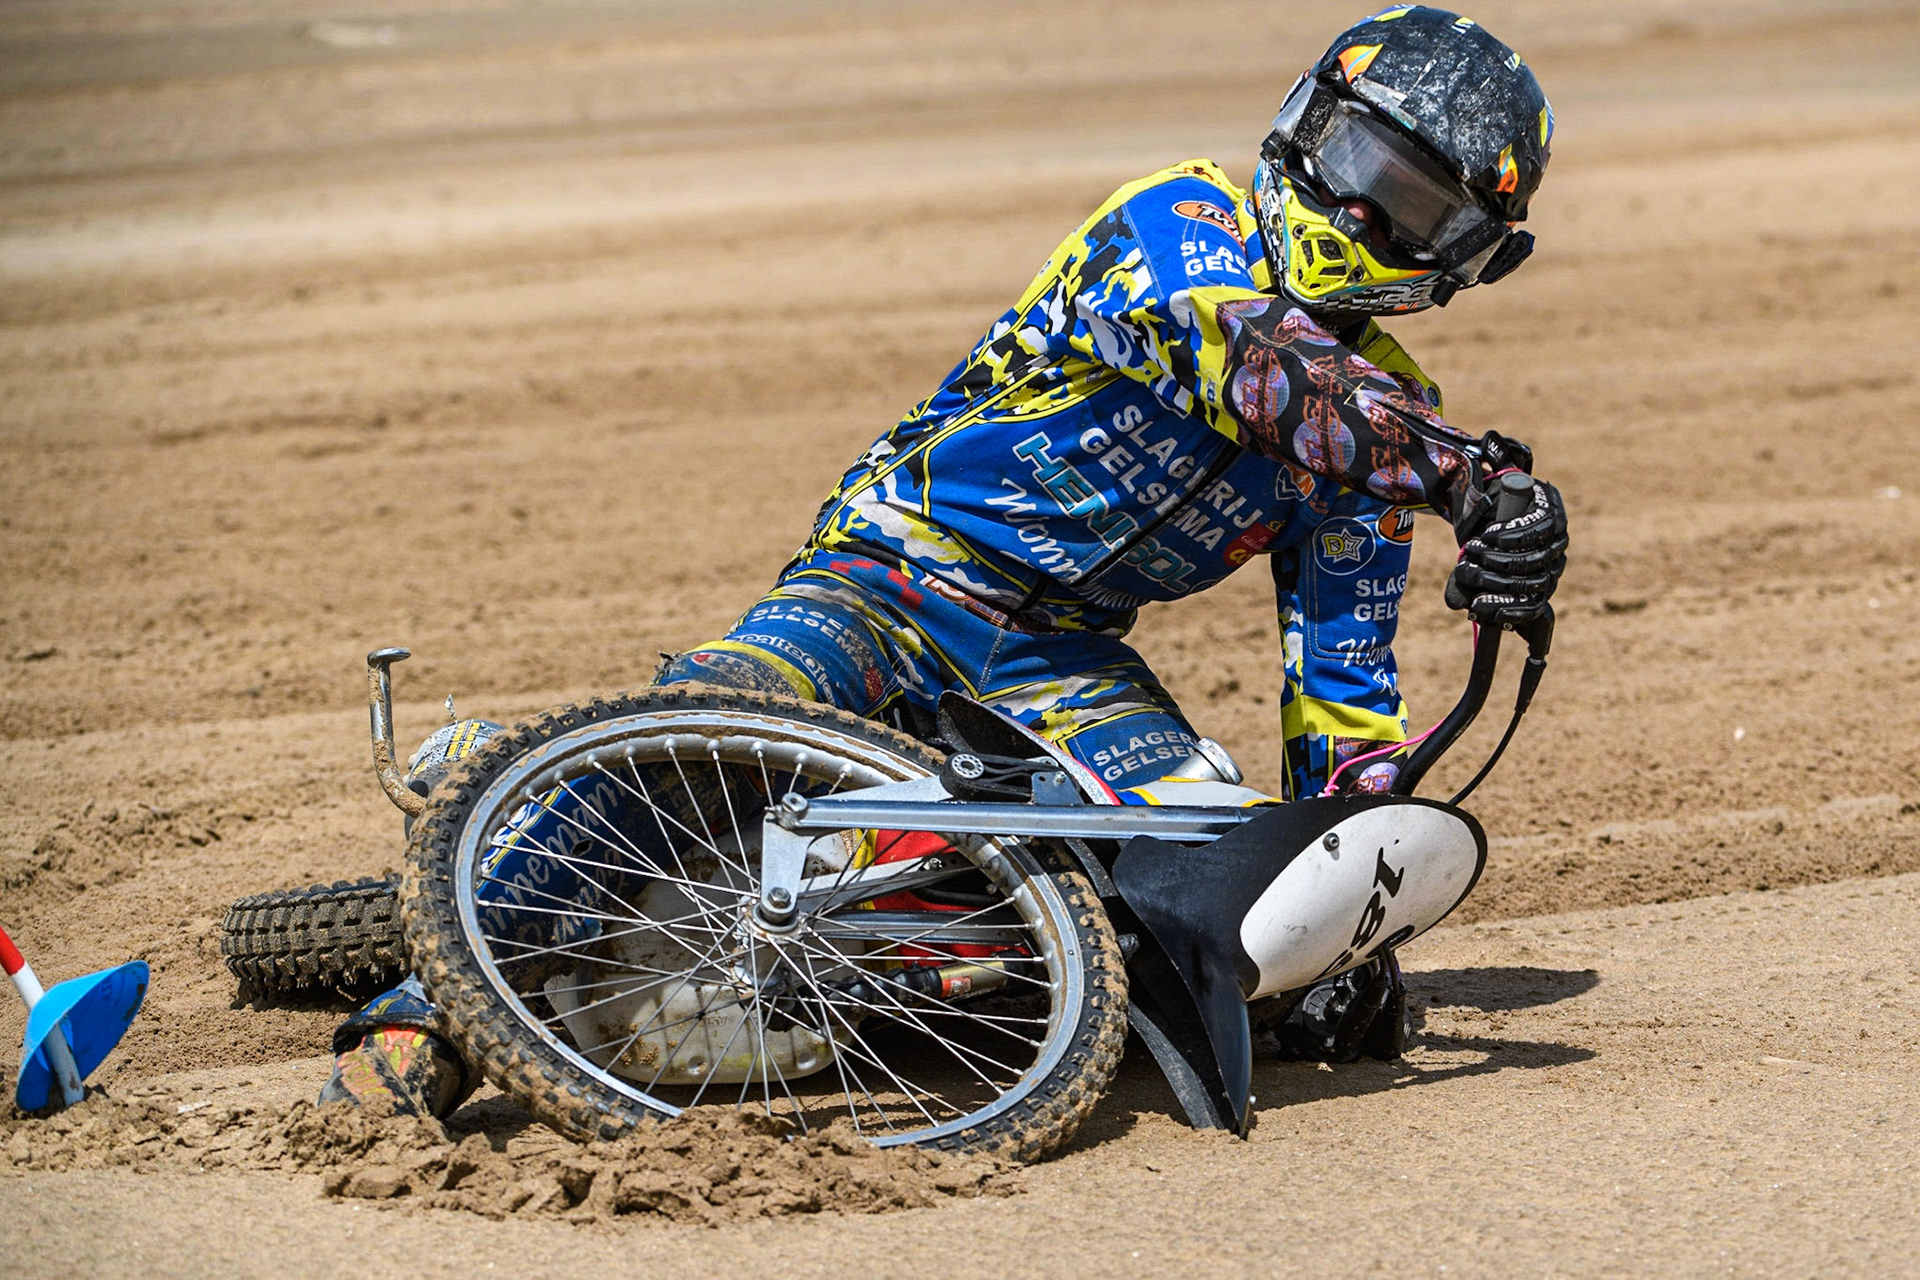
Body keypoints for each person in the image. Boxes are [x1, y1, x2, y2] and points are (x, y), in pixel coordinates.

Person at [320, 5, 1568, 1114]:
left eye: (1410, 206)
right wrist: (1478, 481)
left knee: (1195, 896)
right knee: (719, 719)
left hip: (1060, 659)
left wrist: (1347, 921)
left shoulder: (1396, 431)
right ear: (1304, 121)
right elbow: (1260, 371)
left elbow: (1343, 691)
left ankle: (889, 967)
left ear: (1462, 258)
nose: (1358, 211)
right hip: (892, 573)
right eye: (1355, 161)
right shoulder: (1182, 222)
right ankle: (423, 999)